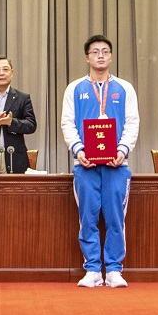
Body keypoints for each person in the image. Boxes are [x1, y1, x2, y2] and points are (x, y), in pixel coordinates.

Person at [60, 34, 140, 288]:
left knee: (116, 218)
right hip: (86, 165)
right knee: (88, 217)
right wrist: (78, 150)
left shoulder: (125, 88)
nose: (101, 56)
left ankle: (114, 269)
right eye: (95, 52)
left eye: (105, 51)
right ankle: (93, 268)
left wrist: (123, 149)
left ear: (111, 57)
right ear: (87, 58)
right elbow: (67, 123)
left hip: (117, 165)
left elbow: (132, 123)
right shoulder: (74, 88)